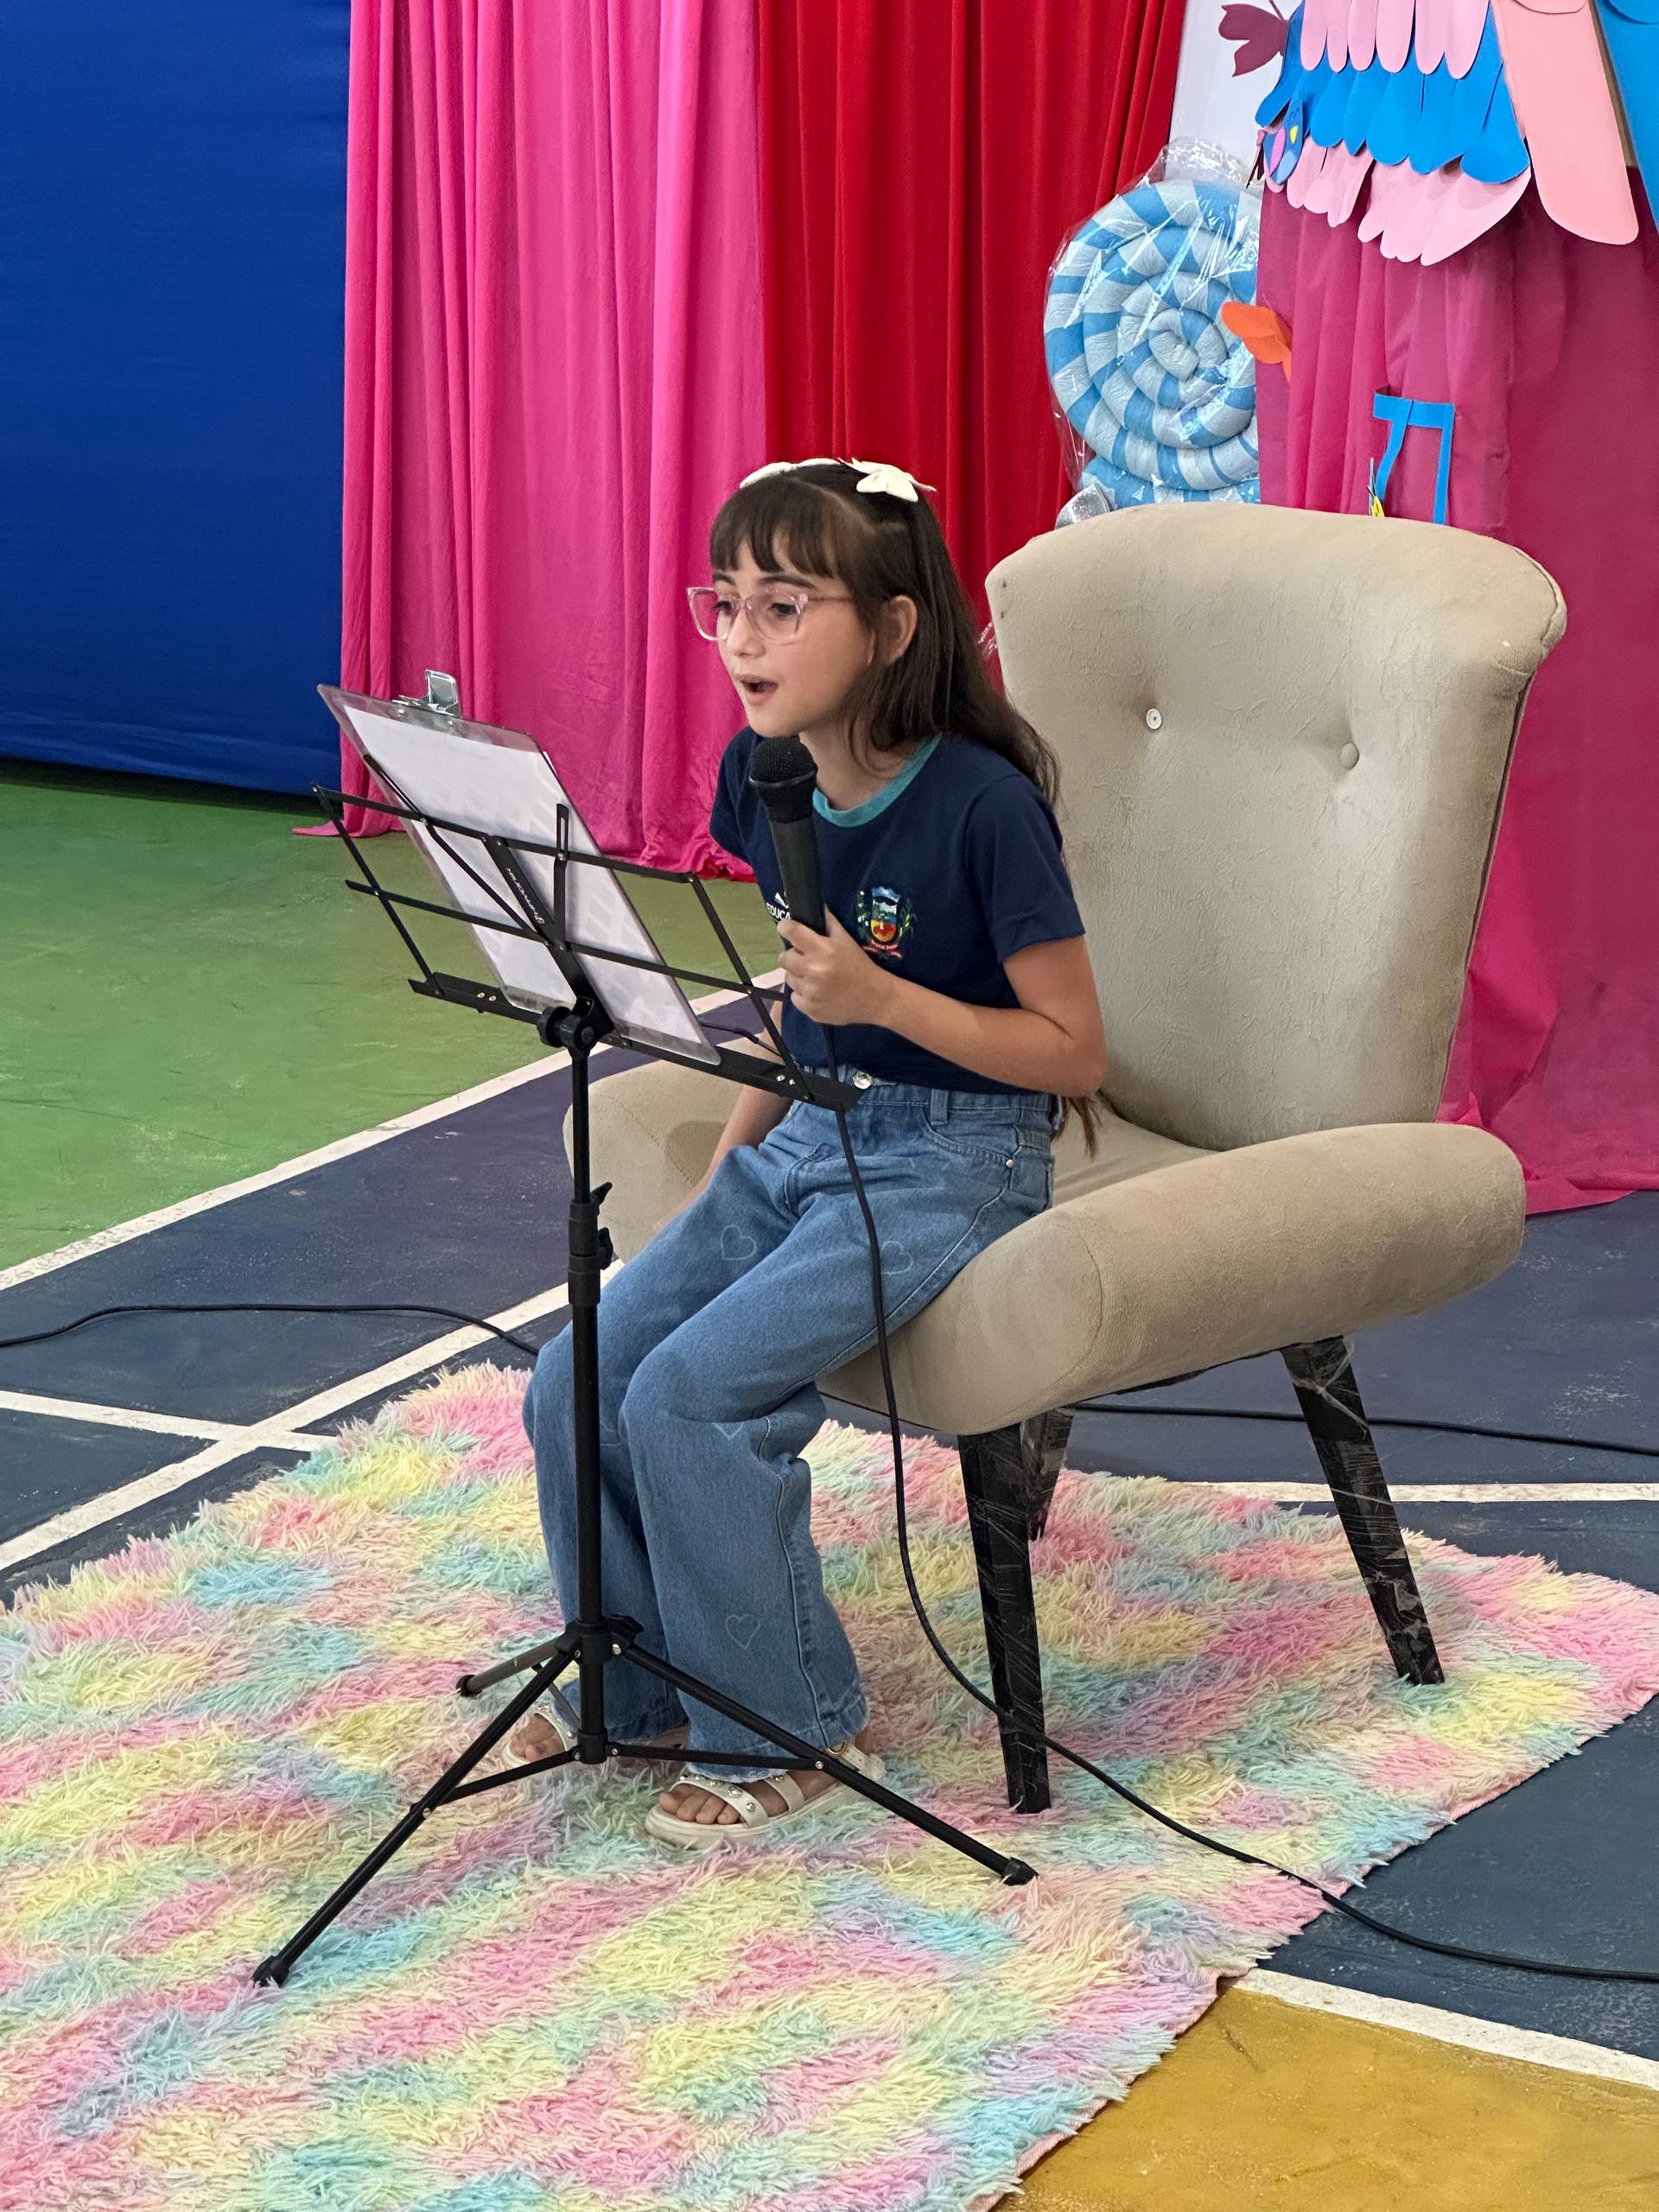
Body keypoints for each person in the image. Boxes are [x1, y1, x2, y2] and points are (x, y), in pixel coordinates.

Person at [514, 457, 1107, 1850]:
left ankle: (789, 1724)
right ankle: (640, 1677)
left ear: (893, 628)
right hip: (811, 1133)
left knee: (689, 1400)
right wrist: (728, 1180)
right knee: (573, 1379)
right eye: (726, 603)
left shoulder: (984, 808)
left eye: (784, 607)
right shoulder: (761, 779)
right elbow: (802, 1006)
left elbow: (1074, 1053)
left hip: (958, 1159)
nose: (742, 638)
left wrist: (882, 1000)